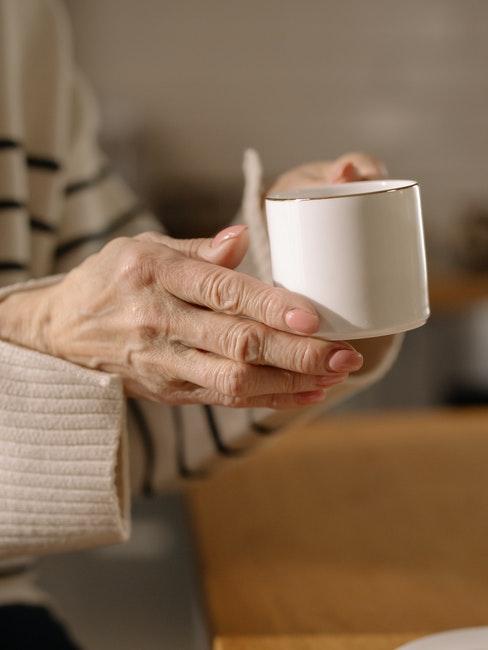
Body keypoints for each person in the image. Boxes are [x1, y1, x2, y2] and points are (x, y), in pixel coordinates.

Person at [0, 0, 402, 646]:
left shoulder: (24, 24)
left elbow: (119, 387)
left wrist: (293, 293)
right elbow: (70, 343)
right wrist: (40, 332)